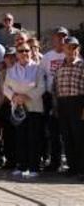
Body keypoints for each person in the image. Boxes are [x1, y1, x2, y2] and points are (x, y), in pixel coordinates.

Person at [4, 42, 47, 179]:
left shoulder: (38, 69)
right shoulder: (11, 71)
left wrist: (27, 96)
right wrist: (14, 97)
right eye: (21, 51)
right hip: (18, 108)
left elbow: (42, 87)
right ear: (16, 54)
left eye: (27, 50)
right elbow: (6, 88)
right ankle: (22, 166)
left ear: (31, 52)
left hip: (34, 107)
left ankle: (34, 168)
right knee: (20, 138)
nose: (24, 53)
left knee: (33, 138)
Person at [52, 36, 84, 180]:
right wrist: (56, 105)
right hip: (62, 104)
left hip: (78, 103)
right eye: (68, 47)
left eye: (74, 47)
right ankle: (72, 168)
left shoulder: (82, 66)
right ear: (63, 49)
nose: (71, 50)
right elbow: (55, 88)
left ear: (78, 49)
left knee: (80, 137)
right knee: (67, 137)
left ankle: (82, 169)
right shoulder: (60, 67)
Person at [40, 27, 69, 172]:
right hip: (50, 97)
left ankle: (71, 162)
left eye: (64, 37)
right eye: (58, 37)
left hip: (67, 97)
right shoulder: (47, 57)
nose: (61, 40)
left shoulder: (70, 55)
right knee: (53, 132)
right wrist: (47, 92)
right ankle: (55, 161)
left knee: (68, 132)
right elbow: (42, 76)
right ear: (54, 40)